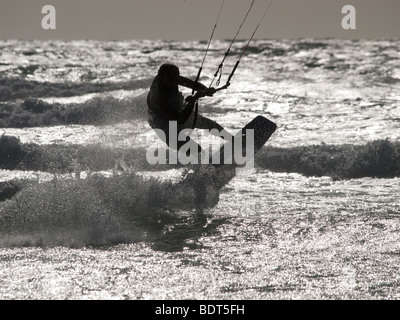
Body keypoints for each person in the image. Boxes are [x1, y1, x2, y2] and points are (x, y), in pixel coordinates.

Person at [147, 63, 230, 161]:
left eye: (176, 78)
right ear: (161, 78)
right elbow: (180, 119)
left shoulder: (171, 77)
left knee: (210, 125)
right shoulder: (157, 97)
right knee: (197, 151)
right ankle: (205, 170)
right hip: (165, 127)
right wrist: (194, 99)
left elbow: (191, 84)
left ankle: (234, 140)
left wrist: (205, 90)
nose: (175, 81)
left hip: (177, 112)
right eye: (171, 79)